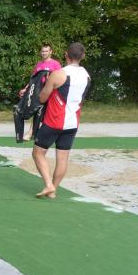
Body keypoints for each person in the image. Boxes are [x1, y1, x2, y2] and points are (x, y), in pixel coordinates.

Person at [33, 42, 90, 199]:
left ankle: (48, 185)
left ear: (66, 54)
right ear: (83, 56)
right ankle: (53, 190)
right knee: (63, 158)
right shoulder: (86, 75)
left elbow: (42, 98)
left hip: (54, 121)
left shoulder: (58, 74)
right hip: (73, 123)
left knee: (38, 153)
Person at [17, 44, 63, 141]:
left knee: (49, 113)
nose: (44, 53)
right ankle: (31, 132)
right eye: (42, 51)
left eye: (46, 51)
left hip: (52, 92)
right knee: (36, 110)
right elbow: (33, 80)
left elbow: (61, 79)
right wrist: (25, 89)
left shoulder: (56, 64)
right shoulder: (39, 64)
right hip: (39, 91)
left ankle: (51, 133)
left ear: (51, 52)